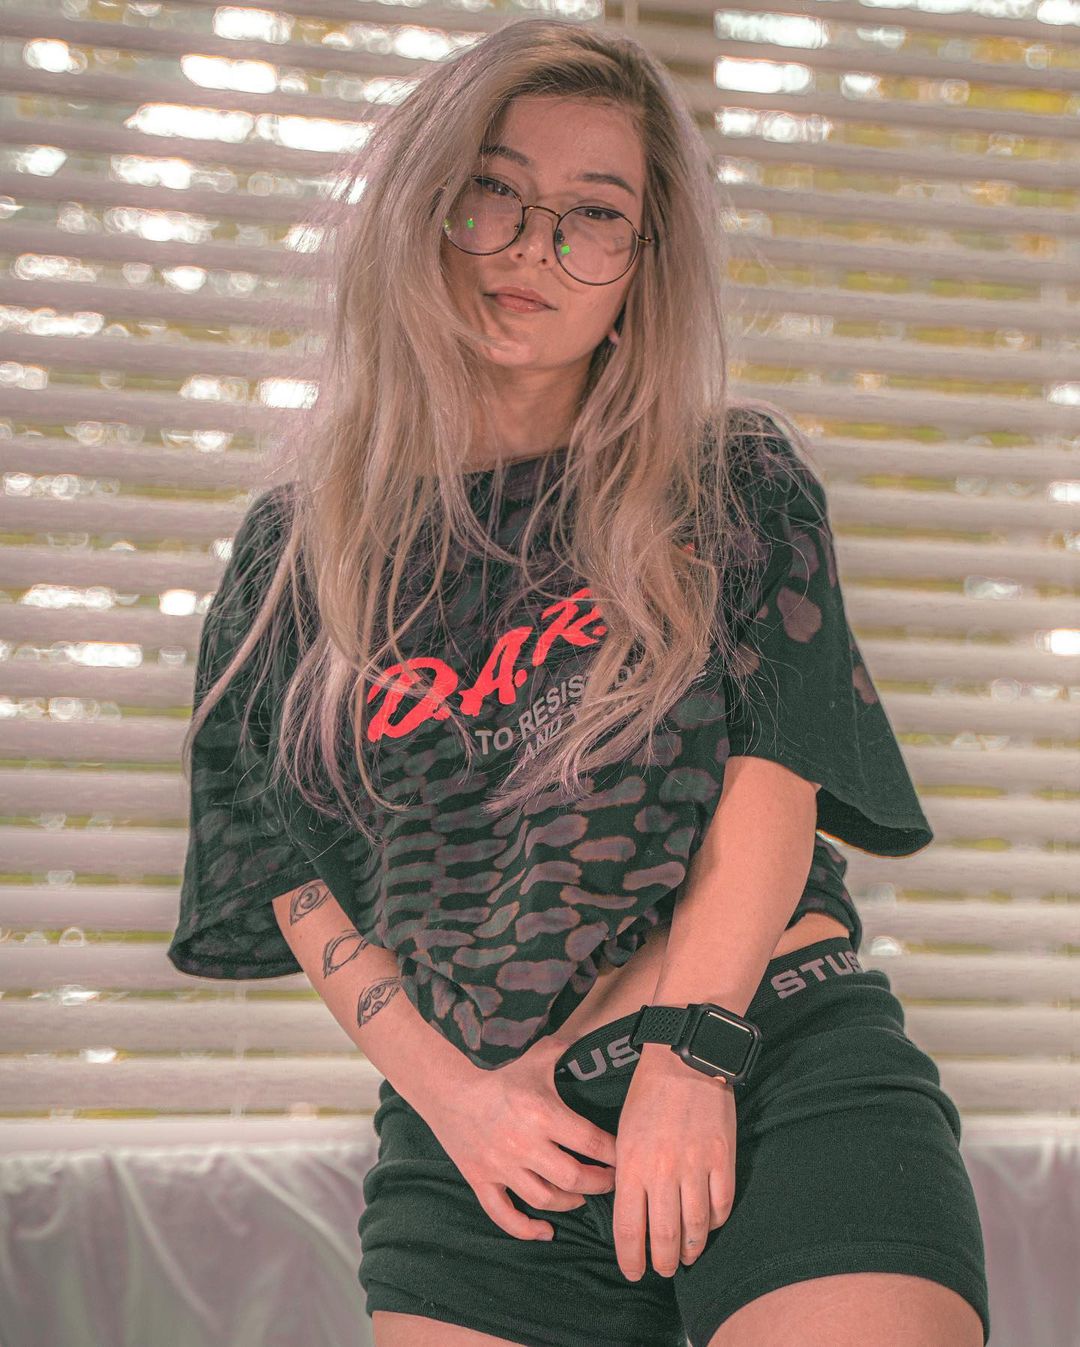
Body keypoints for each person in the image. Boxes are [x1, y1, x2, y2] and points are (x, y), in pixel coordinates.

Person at [167, 18, 991, 1347]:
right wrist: (456, 1102)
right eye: (493, 192)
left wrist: (690, 1055)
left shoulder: (729, 483)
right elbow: (291, 879)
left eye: (593, 214)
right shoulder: (294, 558)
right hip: (489, 1142)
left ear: (639, 265)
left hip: (770, 1053)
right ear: (424, 213)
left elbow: (774, 781)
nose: (534, 248)